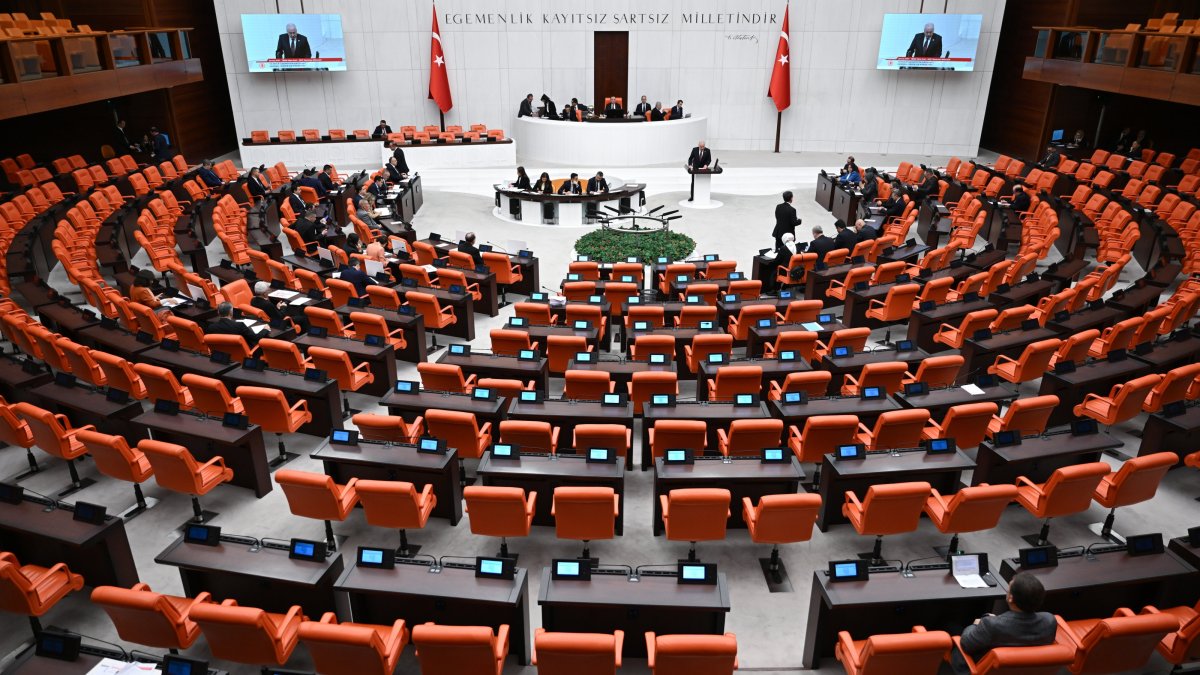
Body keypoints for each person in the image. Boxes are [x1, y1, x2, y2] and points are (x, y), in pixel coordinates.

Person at [950, 573, 1057, 675]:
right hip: (1028, 669)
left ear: (1010, 598)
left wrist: (976, 625)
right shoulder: (1049, 621)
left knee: (953, 631)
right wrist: (997, 620)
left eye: (1008, 589)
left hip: (988, 666)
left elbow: (966, 644)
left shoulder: (991, 625)